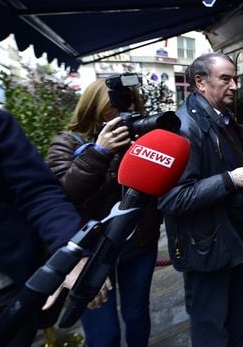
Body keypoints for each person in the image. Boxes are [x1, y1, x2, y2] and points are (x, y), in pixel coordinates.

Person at [158, 52, 243, 347]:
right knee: (210, 326)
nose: (234, 86)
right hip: (204, 249)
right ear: (200, 82)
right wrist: (231, 180)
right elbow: (171, 199)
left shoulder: (222, 117)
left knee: (236, 319)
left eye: (236, 79)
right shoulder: (183, 128)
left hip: (229, 239)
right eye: (225, 79)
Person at [45, 79, 163, 347]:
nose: (123, 112)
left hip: (139, 244)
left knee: (137, 315)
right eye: (114, 106)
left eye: (129, 103)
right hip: (93, 253)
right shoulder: (66, 143)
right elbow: (61, 197)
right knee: (104, 333)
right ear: (95, 108)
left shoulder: (137, 136)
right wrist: (100, 152)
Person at [0, 108, 108, 346]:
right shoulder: (65, 142)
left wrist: (70, 253)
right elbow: (69, 189)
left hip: (5, 294)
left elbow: (39, 194)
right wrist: (96, 155)